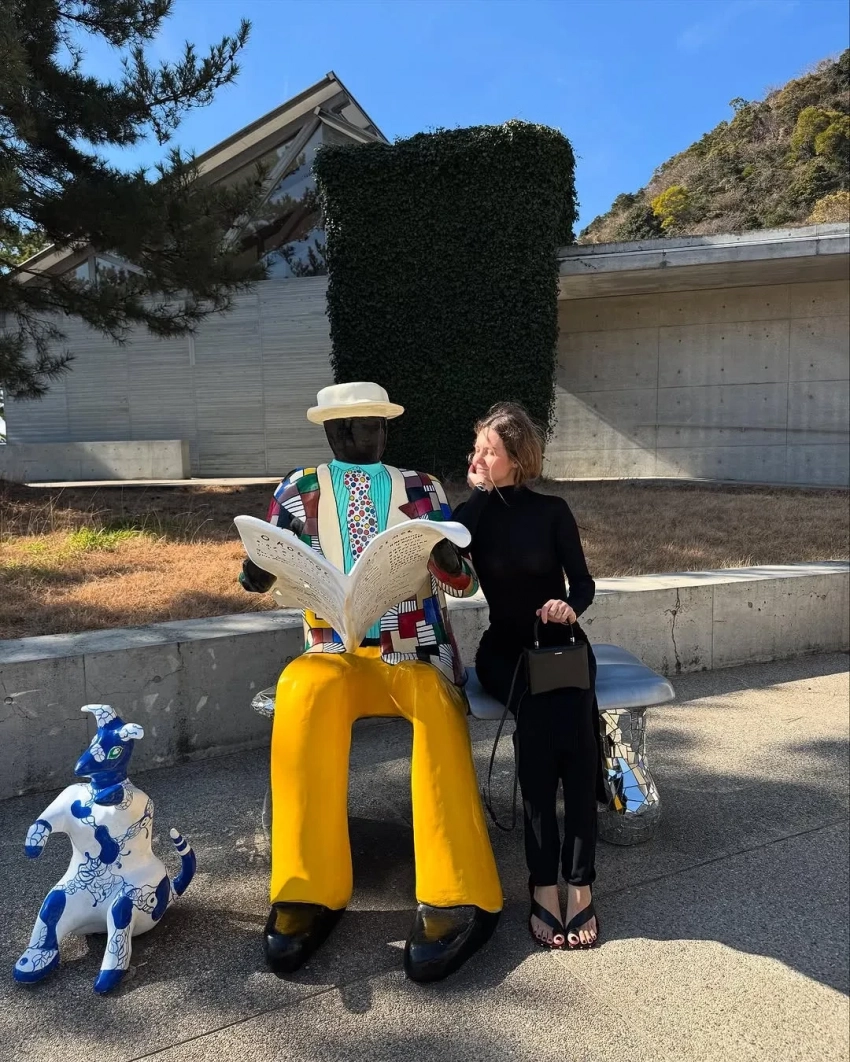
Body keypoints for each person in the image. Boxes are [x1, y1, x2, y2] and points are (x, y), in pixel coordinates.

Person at [238, 382, 502, 982]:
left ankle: (458, 885)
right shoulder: (296, 490)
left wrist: (447, 562)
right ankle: (307, 885)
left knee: (435, 704)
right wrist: (257, 570)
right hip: (333, 646)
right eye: (357, 425)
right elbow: (263, 574)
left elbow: (465, 584)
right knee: (302, 692)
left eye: (377, 424)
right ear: (334, 432)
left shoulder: (421, 488)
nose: (370, 434)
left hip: (412, 648)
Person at [453, 402, 601, 950]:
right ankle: (544, 881)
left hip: (560, 643)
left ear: (516, 458)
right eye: (476, 450)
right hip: (506, 651)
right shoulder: (471, 515)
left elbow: (583, 584)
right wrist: (476, 495)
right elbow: (444, 554)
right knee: (541, 734)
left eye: (489, 451)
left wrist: (568, 606)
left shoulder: (553, 511)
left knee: (577, 741)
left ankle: (578, 884)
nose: (478, 459)